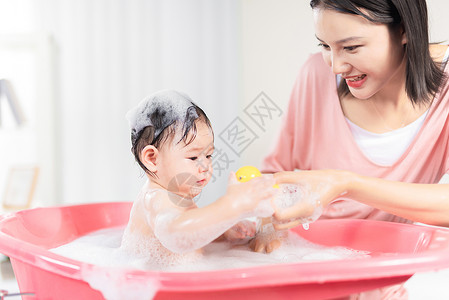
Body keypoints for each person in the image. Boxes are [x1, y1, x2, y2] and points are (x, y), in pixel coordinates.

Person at [255, 0, 449, 298]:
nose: (335, 65)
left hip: (387, 281)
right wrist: (262, 219)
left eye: (352, 47)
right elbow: (272, 176)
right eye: (325, 46)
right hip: (311, 272)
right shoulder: (315, 75)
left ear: (404, 30)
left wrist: (345, 184)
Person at [120, 89, 276, 267]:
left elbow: (191, 233)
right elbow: (177, 235)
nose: (206, 166)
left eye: (208, 156)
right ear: (152, 158)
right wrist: (233, 206)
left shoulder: (178, 195)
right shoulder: (156, 198)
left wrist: (222, 230)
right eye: (193, 158)